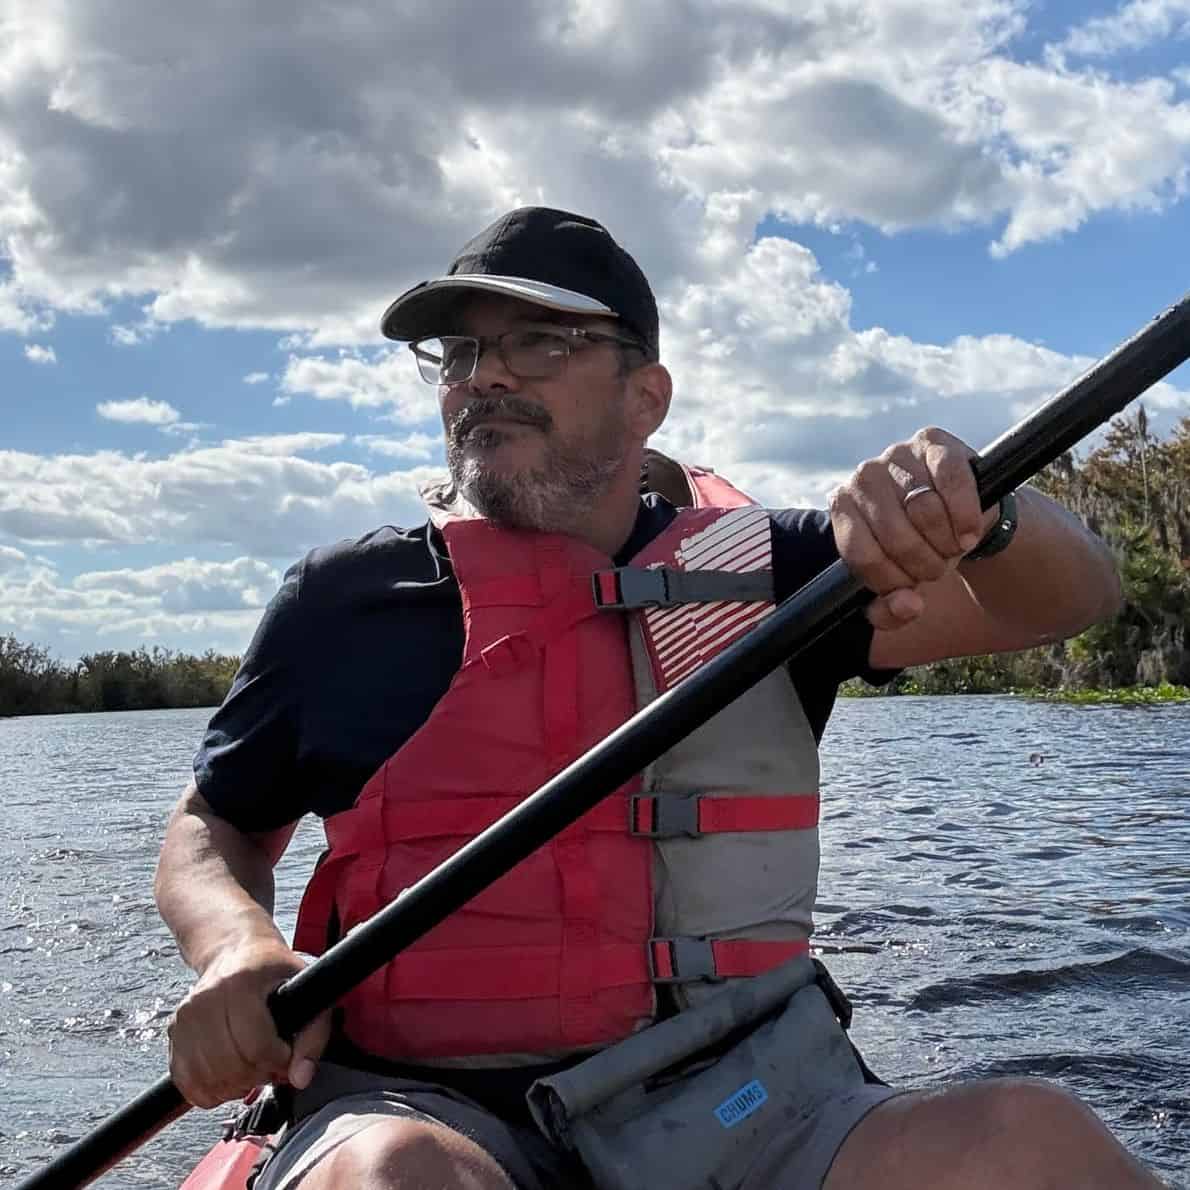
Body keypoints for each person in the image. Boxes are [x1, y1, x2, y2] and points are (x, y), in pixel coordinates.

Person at [156, 207, 1160, 1190]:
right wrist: (234, 943)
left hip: (741, 1101)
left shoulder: (777, 571)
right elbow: (214, 821)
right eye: (459, 353)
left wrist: (981, 514)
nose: (485, 375)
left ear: (646, 396)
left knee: (1032, 1138)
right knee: (392, 1173)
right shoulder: (339, 600)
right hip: (418, 1104)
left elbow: (1068, 599)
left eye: (541, 342)